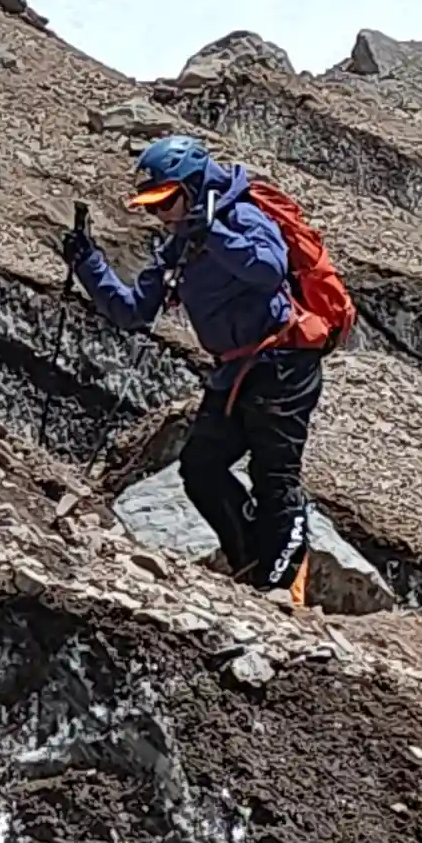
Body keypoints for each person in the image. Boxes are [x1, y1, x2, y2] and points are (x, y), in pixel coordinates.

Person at [64, 136, 322, 594]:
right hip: (234, 370)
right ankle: (251, 565)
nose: (159, 215)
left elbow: (269, 270)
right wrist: (89, 264)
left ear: (194, 186)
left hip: (283, 364)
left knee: (273, 475)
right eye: (151, 205)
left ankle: (284, 587)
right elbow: (133, 312)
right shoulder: (177, 248)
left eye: (165, 201)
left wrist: (212, 232)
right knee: (200, 466)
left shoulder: (241, 217)